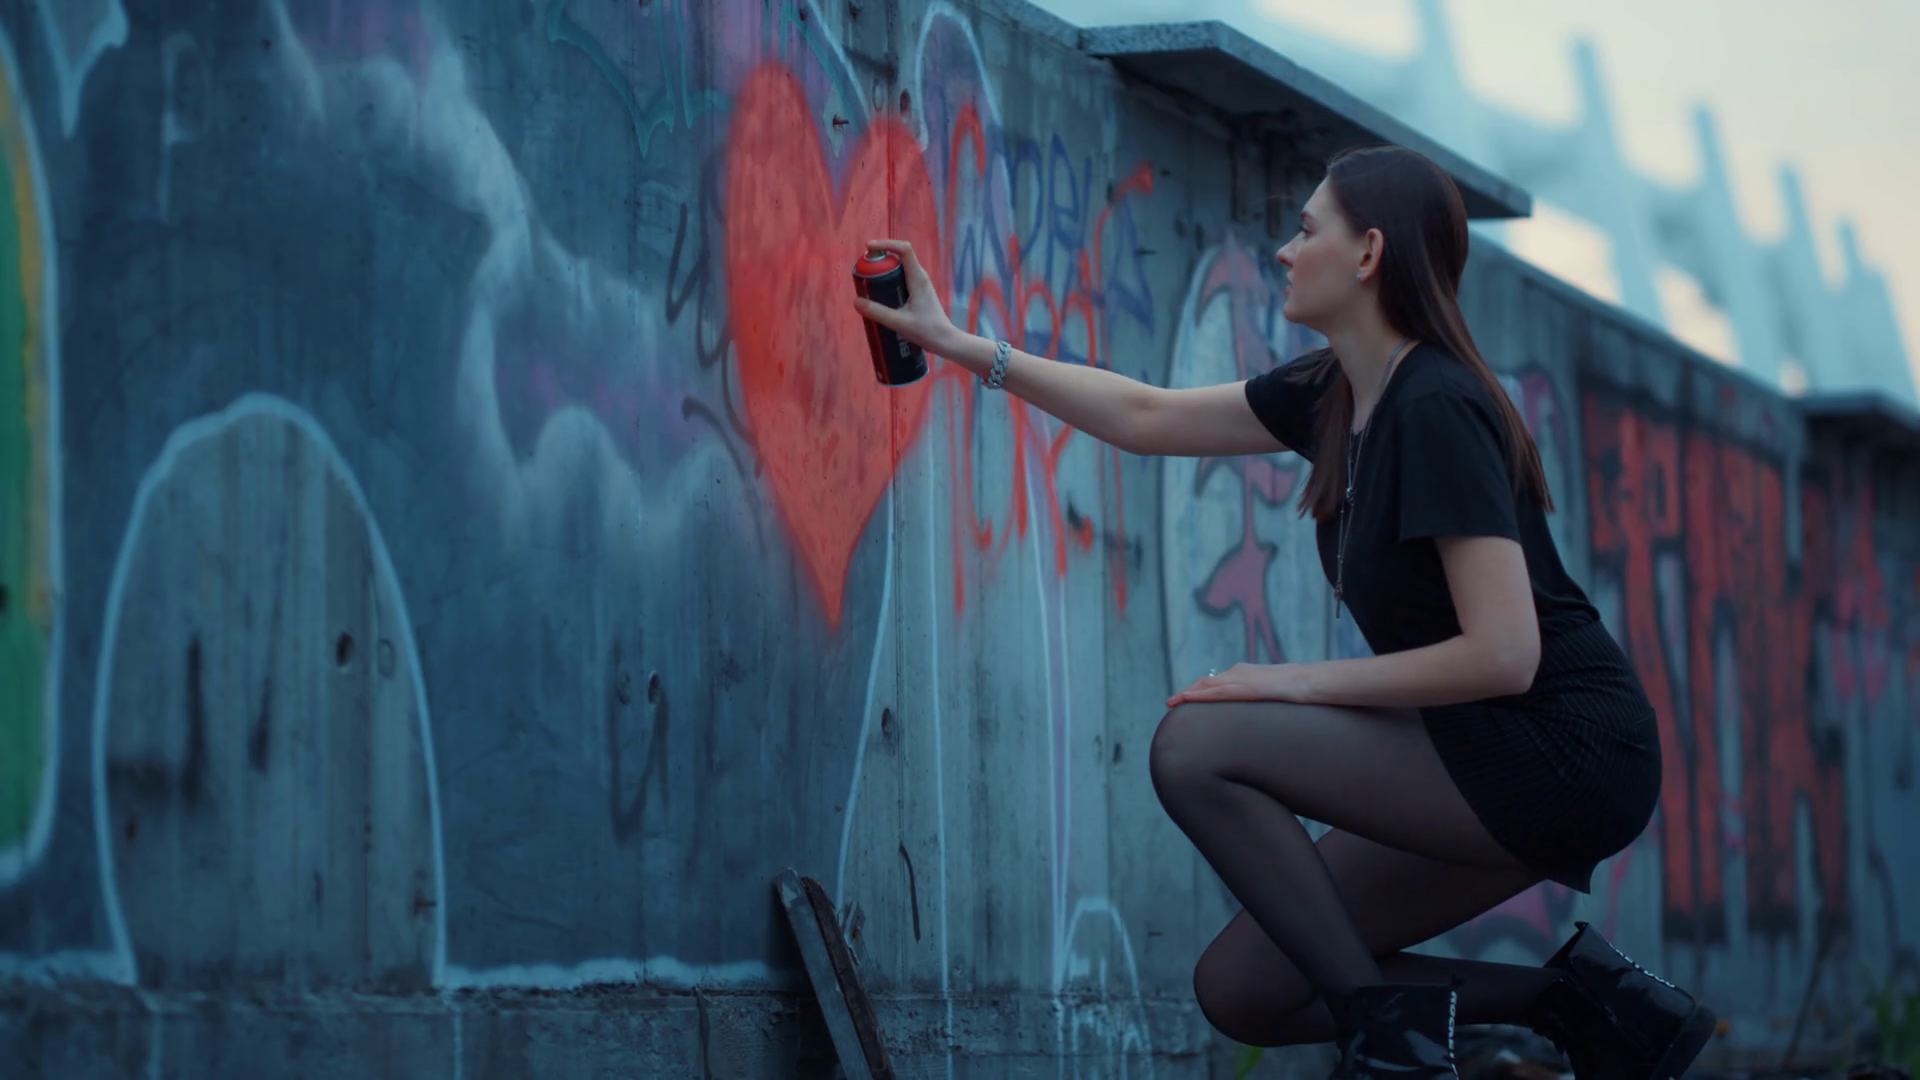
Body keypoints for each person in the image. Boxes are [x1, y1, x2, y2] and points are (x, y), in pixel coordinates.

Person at [852, 143, 1716, 1079]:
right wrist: (957, 345)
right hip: (1484, 747)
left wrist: (1293, 683)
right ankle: (1568, 1000)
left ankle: (1395, 1052)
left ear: (1369, 253)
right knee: (1247, 990)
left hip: (1565, 751)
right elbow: (1146, 417)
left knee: (1200, 746)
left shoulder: (1437, 406)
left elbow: (1506, 653)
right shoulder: (1336, 396)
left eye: (1306, 229)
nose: (1282, 251)